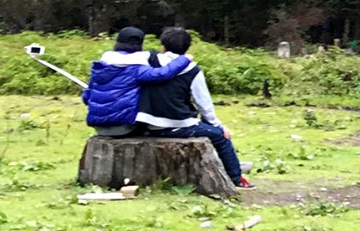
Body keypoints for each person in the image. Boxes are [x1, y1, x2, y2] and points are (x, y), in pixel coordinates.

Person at [137, 27, 247, 188]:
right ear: (187, 48)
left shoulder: (148, 61)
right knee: (222, 138)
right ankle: (236, 178)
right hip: (178, 124)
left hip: (147, 123)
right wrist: (218, 125)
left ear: (163, 45)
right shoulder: (192, 70)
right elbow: (204, 104)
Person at [83, 27, 193, 136]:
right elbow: (163, 73)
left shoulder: (100, 67)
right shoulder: (137, 68)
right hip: (125, 127)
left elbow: (86, 97)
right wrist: (184, 59)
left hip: (98, 126)